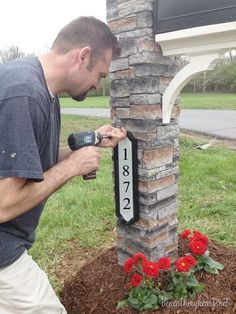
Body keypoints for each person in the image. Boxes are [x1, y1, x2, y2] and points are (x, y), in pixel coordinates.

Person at [0, 16, 126, 314]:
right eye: (100, 74)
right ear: (83, 57)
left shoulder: (42, 89)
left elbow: (28, 164)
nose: (98, 84)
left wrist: (91, 140)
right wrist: (72, 167)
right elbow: (4, 203)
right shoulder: (25, 94)